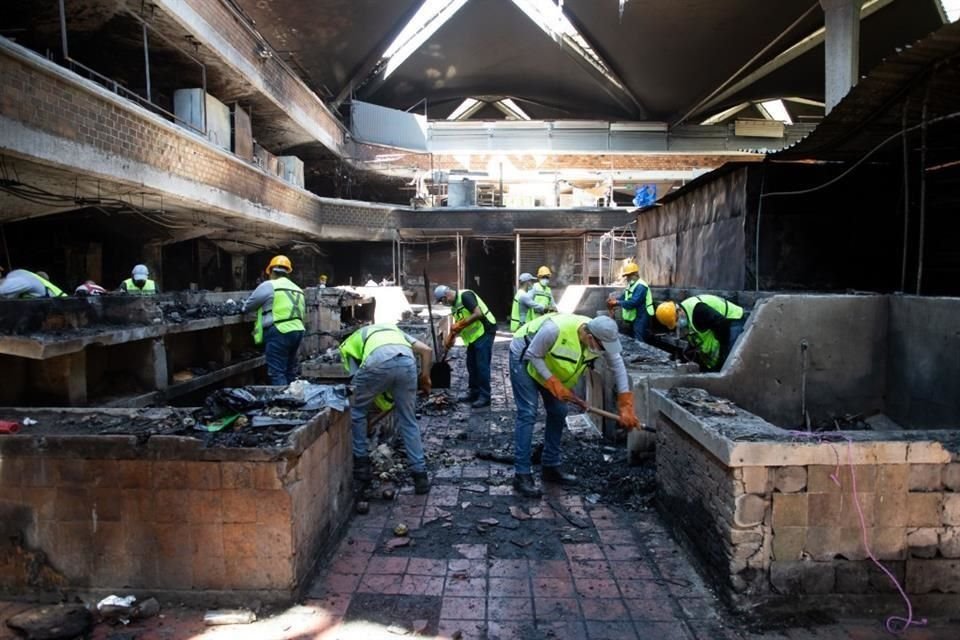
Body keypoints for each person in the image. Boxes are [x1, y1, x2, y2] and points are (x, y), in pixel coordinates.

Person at [510, 314, 640, 497]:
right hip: (524, 356)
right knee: (528, 412)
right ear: (589, 337)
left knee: (559, 410)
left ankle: (550, 466)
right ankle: (522, 474)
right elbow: (533, 355)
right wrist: (554, 383)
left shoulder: (601, 335)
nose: (603, 351)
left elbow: (618, 366)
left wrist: (626, 404)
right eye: (602, 347)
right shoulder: (554, 330)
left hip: (547, 361)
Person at [339, 323, 433, 494]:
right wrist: (425, 378)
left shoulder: (351, 342)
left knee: (357, 412)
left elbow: (357, 382)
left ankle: (361, 467)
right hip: (407, 363)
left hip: (377, 363)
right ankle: (420, 476)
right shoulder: (395, 331)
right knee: (408, 420)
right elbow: (426, 350)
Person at [242, 255, 306, 385]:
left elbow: (247, 307)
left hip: (279, 331)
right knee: (289, 370)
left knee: (277, 372)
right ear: (288, 272)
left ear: (271, 271)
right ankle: (293, 399)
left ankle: (283, 403)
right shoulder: (298, 289)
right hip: (298, 331)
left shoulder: (269, 285)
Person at [434, 284, 496, 408]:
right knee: (471, 364)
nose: (443, 303)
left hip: (485, 330)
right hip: (474, 336)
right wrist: (450, 338)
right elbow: (458, 326)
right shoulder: (454, 308)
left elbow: (478, 314)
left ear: (446, 295)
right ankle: (474, 392)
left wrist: (459, 325)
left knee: (481, 365)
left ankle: (485, 396)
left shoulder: (465, 296)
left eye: (442, 300)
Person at [655, 295, 746, 372]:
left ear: (679, 311)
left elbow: (722, 324)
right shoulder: (686, 315)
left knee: (729, 357)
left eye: (677, 320)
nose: (678, 324)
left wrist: (722, 357)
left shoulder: (698, 311)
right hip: (720, 322)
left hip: (733, 318)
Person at [607, 263, 654, 342]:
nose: (627, 278)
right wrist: (614, 300)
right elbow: (624, 297)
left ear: (636, 274)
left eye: (629, 275)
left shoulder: (641, 286)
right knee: (634, 337)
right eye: (626, 276)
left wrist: (617, 302)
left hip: (642, 315)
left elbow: (634, 302)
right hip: (635, 315)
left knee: (639, 338)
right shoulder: (631, 285)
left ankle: (641, 353)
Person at [0, 269, 66, 298]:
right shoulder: (28, 278)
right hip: (62, 307)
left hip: (60, 311)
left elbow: (2, 290)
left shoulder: (21, 278)